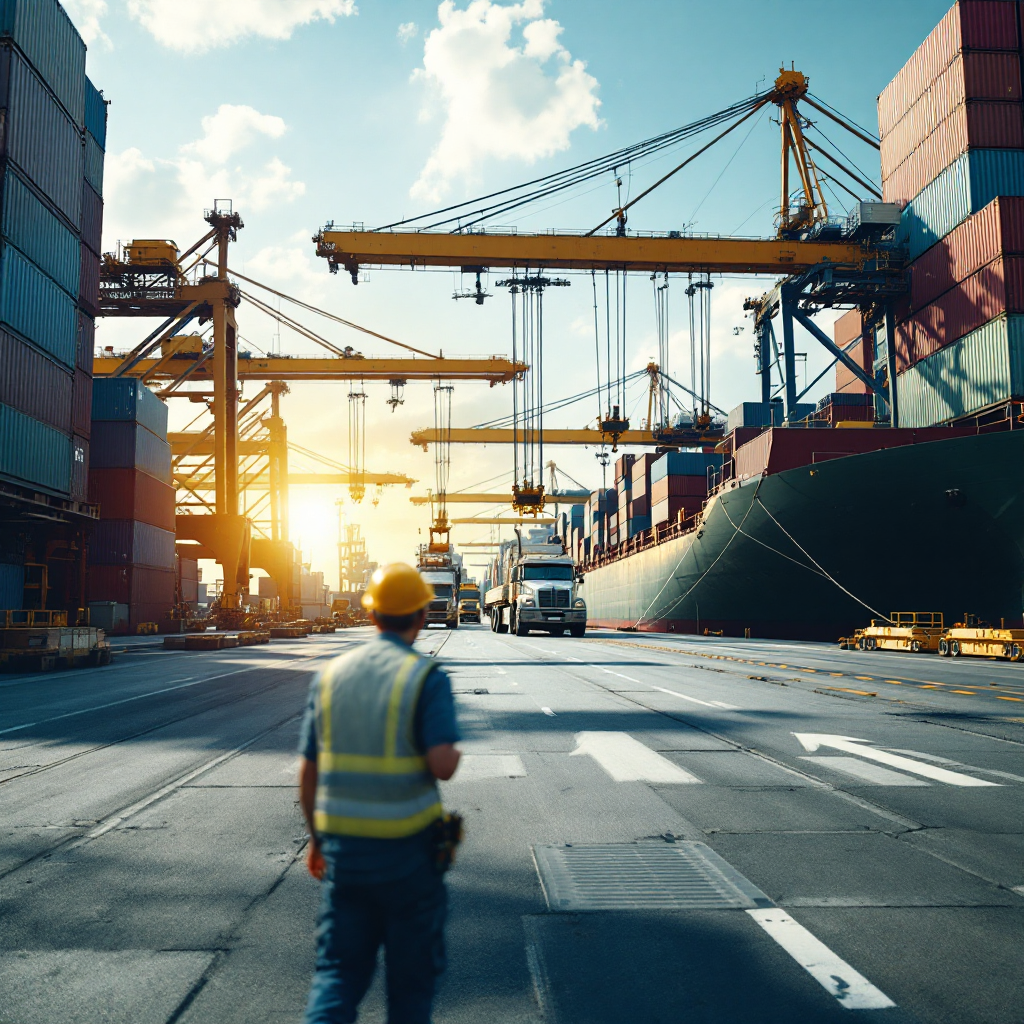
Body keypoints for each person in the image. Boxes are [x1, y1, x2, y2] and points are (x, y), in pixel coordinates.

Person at [298, 562, 461, 1024]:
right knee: (410, 987)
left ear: (372, 616)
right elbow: (443, 766)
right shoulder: (426, 678)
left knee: (337, 975)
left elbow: (308, 771)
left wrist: (316, 839)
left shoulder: (331, 676)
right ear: (422, 615)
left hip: (347, 855)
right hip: (409, 859)